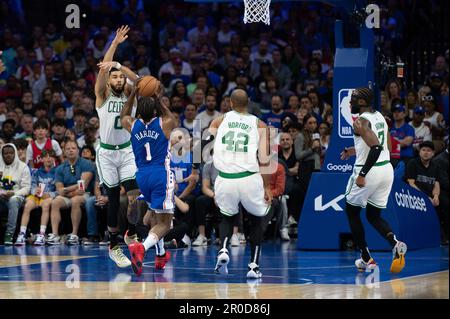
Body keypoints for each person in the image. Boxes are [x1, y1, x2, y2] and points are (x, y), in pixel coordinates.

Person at [340, 87, 407, 273]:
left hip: (369, 171)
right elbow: (384, 145)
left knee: (352, 212)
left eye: (352, 100)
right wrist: (353, 151)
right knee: (373, 215)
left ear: (361, 102)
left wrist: (362, 174)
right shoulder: (379, 116)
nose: (349, 103)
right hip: (386, 169)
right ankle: (395, 243)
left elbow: (375, 147)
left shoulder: (360, 122)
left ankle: (366, 258)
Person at [208, 88, 272, 279]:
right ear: (249, 102)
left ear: (230, 102)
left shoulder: (219, 121)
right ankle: (253, 267)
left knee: (227, 218)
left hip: (225, 177)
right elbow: (265, 160)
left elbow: (204, 145)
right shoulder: (260, 124)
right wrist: (267, 186)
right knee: (255, 220)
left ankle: (224, 249)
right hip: (249, 178)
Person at [94, 26, 141, 267]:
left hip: (126, 150)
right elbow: (104, 66)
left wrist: (121, 66)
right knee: (113, 198)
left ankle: (130, 231)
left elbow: (142, 82)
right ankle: (113, 244)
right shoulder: (102, 95)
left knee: (134, 196)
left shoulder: (131, 96)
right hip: (106, 154)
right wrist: (114, 44)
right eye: (114, 76)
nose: (119, 79)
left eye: (120, 76)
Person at [121, 80, 177, 276]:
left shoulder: (132, 124)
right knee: (166, 223)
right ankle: (142, 248)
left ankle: (161, 254)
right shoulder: (164, 123)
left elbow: (123, 115)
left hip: (142, 176)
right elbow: (171, 117)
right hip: (160, 174)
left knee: (154, 216)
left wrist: (133, 95)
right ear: (155, 111)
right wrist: (157, 98)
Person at [15, 149, 57, 246]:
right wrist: (35, 191)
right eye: (46, 156)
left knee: (46, 205)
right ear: (41, 159)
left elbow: (60, 190)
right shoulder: (37, 172)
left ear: (54, 159)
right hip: (37, 196)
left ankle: (41, 234)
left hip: (48, 197)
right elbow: (32, 186)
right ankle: (22, 234)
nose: (48, 158)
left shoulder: (57, 172)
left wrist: (50, 195)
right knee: (27, 205)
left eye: (50, 156)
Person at [405, 141, 442, 231]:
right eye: (423, 150)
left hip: (429, 196)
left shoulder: (436, 166)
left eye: (429, 150)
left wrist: (436, 196)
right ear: (419, 152)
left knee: (442, 204)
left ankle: (440, 234)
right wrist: (425, 197)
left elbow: (436, 184)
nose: (425, 152)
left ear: (433, 153)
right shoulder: (412, 163)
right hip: (413, 197)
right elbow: (411, 184)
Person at [0, 143, 31, 245]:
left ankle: (9, 233)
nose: (8, 155)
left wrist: (14, 193)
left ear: (15, 154)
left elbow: (26, 188)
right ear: (2, 154)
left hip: (17, 197)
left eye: (11, 153)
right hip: (1, 197)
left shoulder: (23, 167)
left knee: (13, 200)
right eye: (5, 153)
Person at [433, 143, 449, 245]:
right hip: (441, 191)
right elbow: (443, 182)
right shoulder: (440, 160)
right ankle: (445, 235)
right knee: (446, 204)